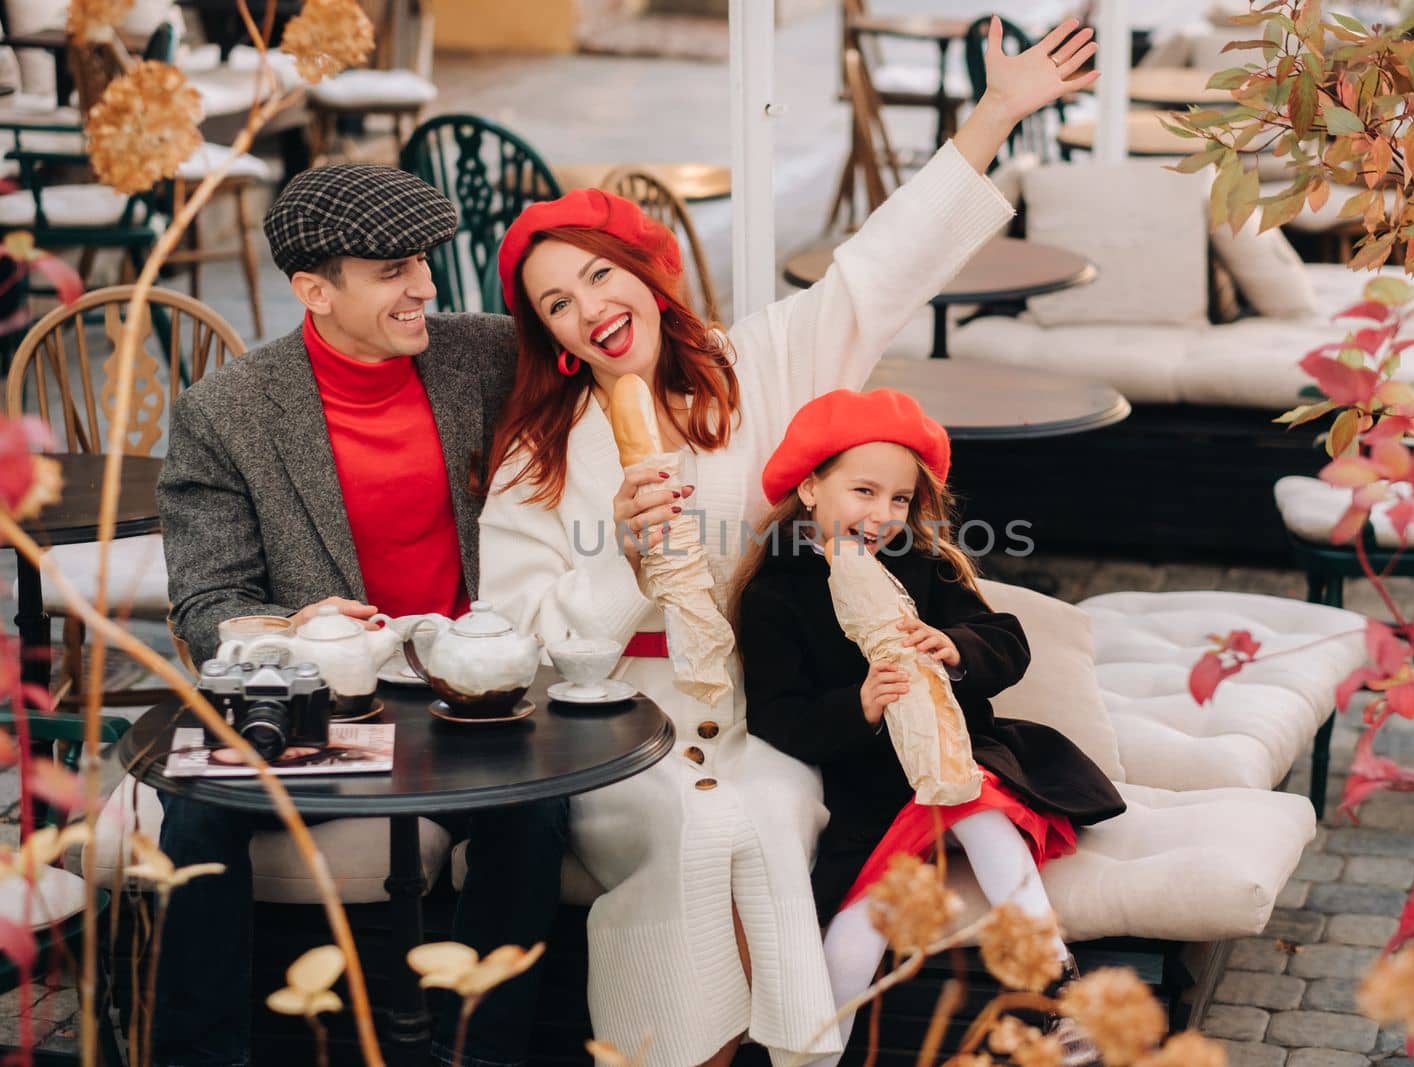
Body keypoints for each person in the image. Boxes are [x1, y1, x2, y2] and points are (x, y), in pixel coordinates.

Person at [477, 17, 1099, 1066]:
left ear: (647, 273)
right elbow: (515, 638)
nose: (588, 308)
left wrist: (992, 114)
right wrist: (619, 567)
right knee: (697, 828)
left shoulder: (754, 363)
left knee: (764, 818)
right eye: (557, 304)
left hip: (768, 703)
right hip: (614, 721)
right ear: (555, 342)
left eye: (598, 276)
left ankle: (791, 1053)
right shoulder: (538, 454)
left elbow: (876, 273)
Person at [155, 163, 567, 1067]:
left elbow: (622, 350)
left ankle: (480, 1053)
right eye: (390, 270)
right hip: (327, 700)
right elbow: (208, 601)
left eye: (422, 260)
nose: (423, 284)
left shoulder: (488, 353)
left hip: (470, 692)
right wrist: (295, 627)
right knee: (195, 819)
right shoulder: (226, 411)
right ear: (314, 290)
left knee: (535, 820)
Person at [731, 388, 1127, 1062]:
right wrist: (857, 706)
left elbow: (1008, 640)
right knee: (853, 940)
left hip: (959, 762)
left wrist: (955, 646)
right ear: (809, 487)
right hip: (874, 800)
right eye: (863, 490)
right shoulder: (779, 590)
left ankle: (1061, 996)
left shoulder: (925, 564)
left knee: (980, 812)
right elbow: (777, 714)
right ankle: (813, 1055)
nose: (882, 514)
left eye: (898, 499)